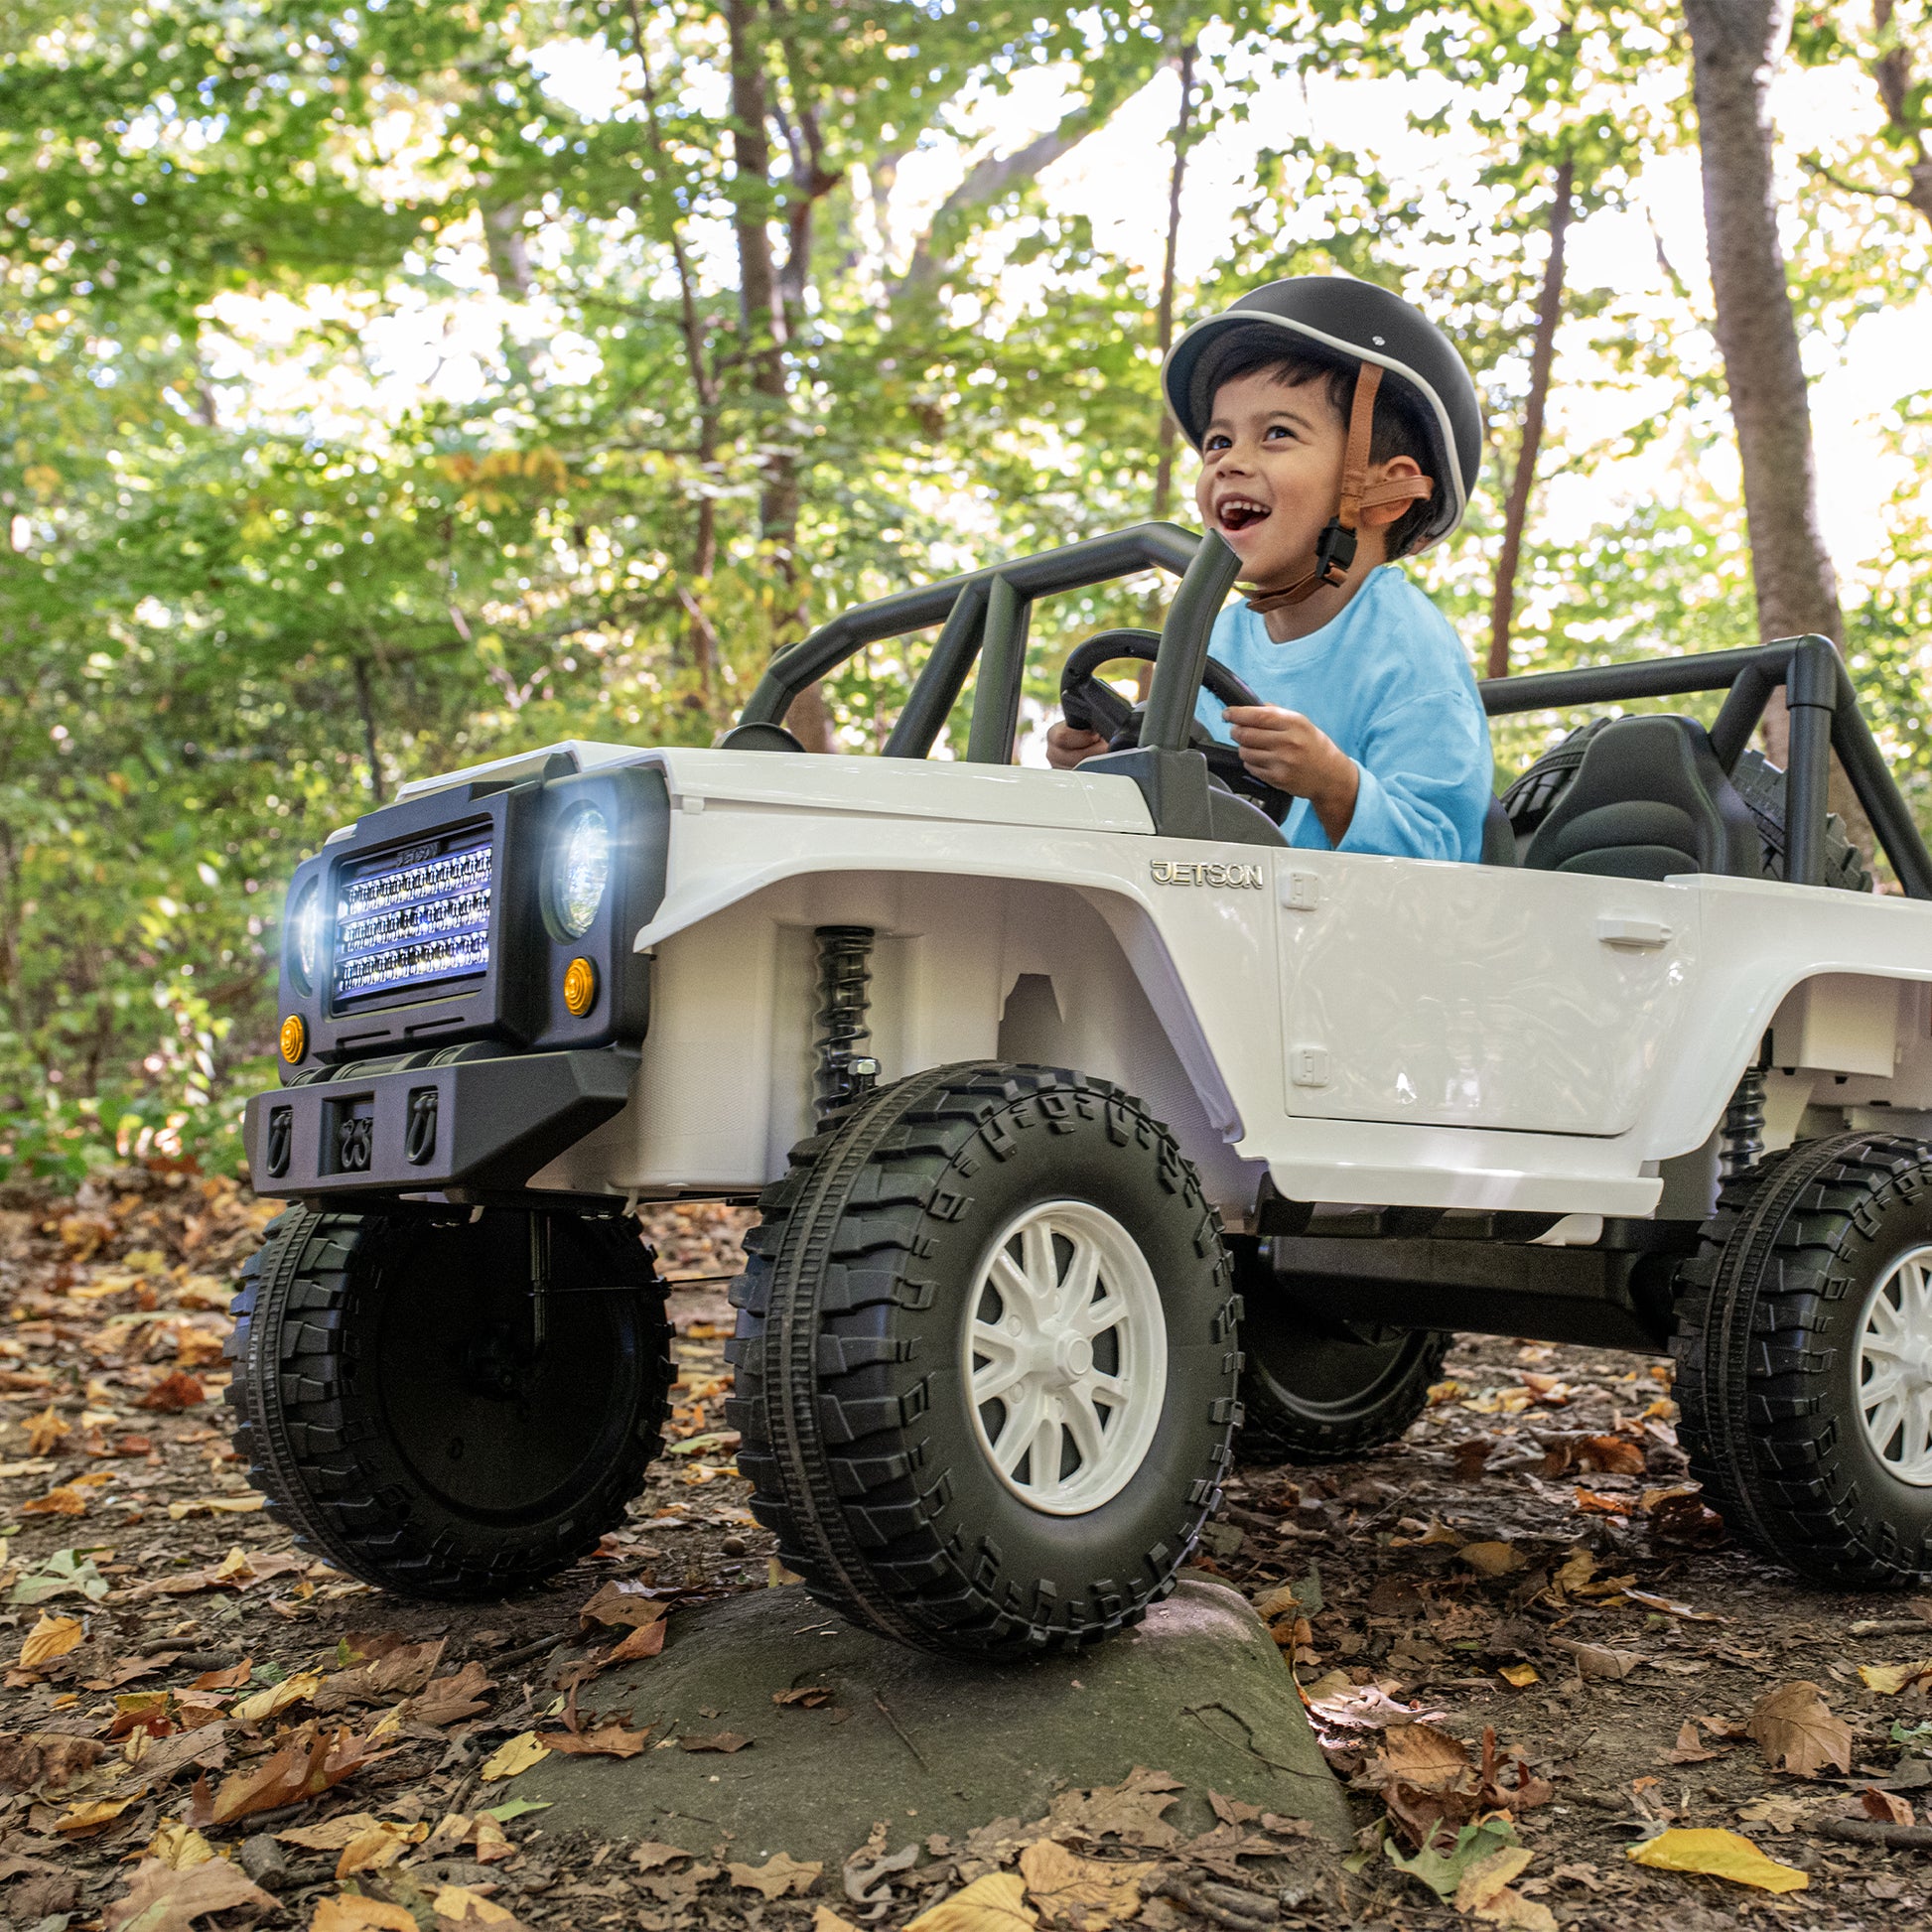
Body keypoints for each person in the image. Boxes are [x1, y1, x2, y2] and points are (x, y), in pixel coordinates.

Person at [1047, 277, 1494, 862]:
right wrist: (1108, 761)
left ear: (1386, 493)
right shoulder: (1211, 636)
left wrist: (1334, 783)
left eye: (1277, 434)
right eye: (1217, 442)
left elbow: (1445, 856)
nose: (1230, 462)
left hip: (1357, 936)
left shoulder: (1407, 644)